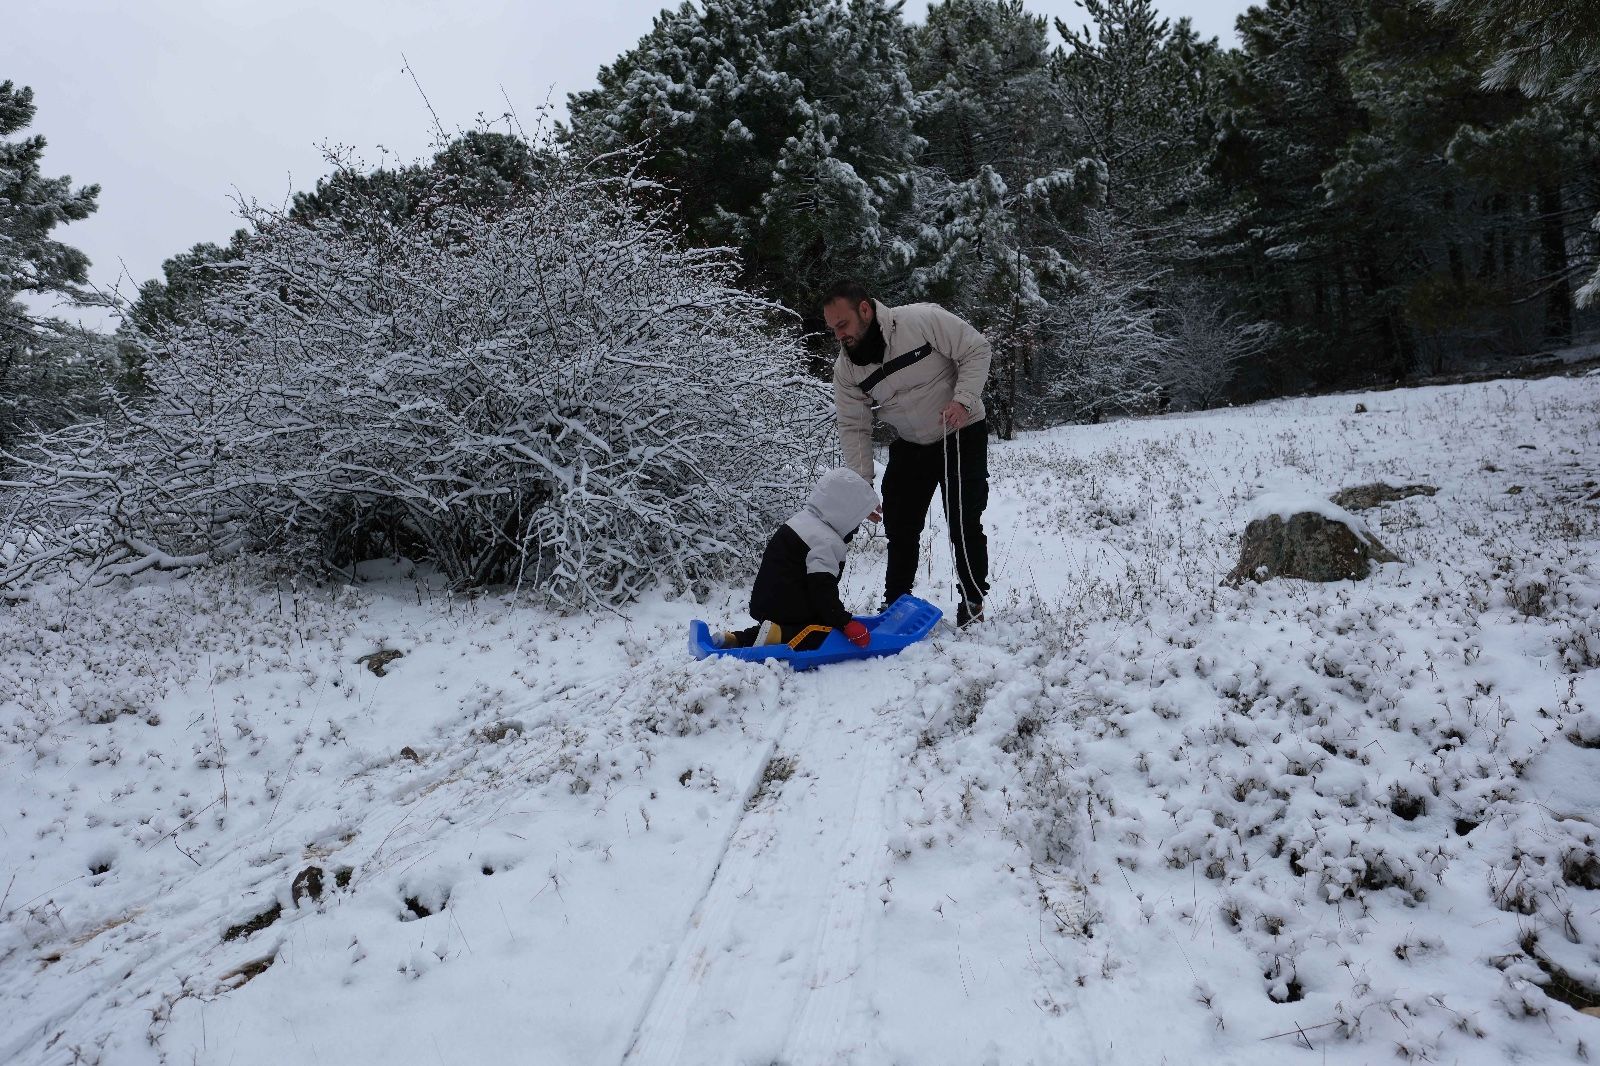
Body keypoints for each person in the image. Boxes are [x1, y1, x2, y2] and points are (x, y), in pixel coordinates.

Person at [823, 281, 993, 627]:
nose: (839, 336)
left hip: (960, 430)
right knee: (899, 524)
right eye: (832, 330)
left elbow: (976, 349)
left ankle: (972, 601)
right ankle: (896, 603)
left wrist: (963, 400)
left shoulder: (921, 321)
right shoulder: (847, 370)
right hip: (912, 442)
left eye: (843, 325)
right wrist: (861, 488)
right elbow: (854, 427)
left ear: (865, 310)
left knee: (962, 522)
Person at [713, 467, 880, 651]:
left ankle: (737, 639)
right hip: (789, 607)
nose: (855, 530)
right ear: (845, 514)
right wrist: (844, 623)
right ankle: (780, 637)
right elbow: (822, 590)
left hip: (769, 601)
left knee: (780, 627)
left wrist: (861, 509)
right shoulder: (825, 542)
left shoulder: (803, 520)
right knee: (822, 634)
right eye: (855, 522)